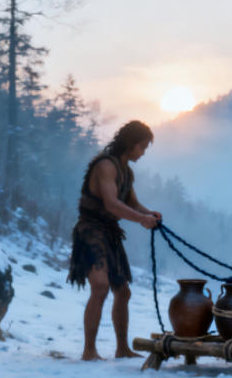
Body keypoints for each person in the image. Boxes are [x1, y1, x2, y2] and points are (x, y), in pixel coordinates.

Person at [67, 121, 162, 361]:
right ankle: (89, 351)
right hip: (90, 231)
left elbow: (130, 203)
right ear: (130, 144)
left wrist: (149, 213)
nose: (143, 153)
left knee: (123, 291)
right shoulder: (106, 165)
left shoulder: (126, 171)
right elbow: (111, 203)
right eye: (142, 147)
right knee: (100, 286)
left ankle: (122, 348)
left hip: (110, 232)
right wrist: (141, 219)